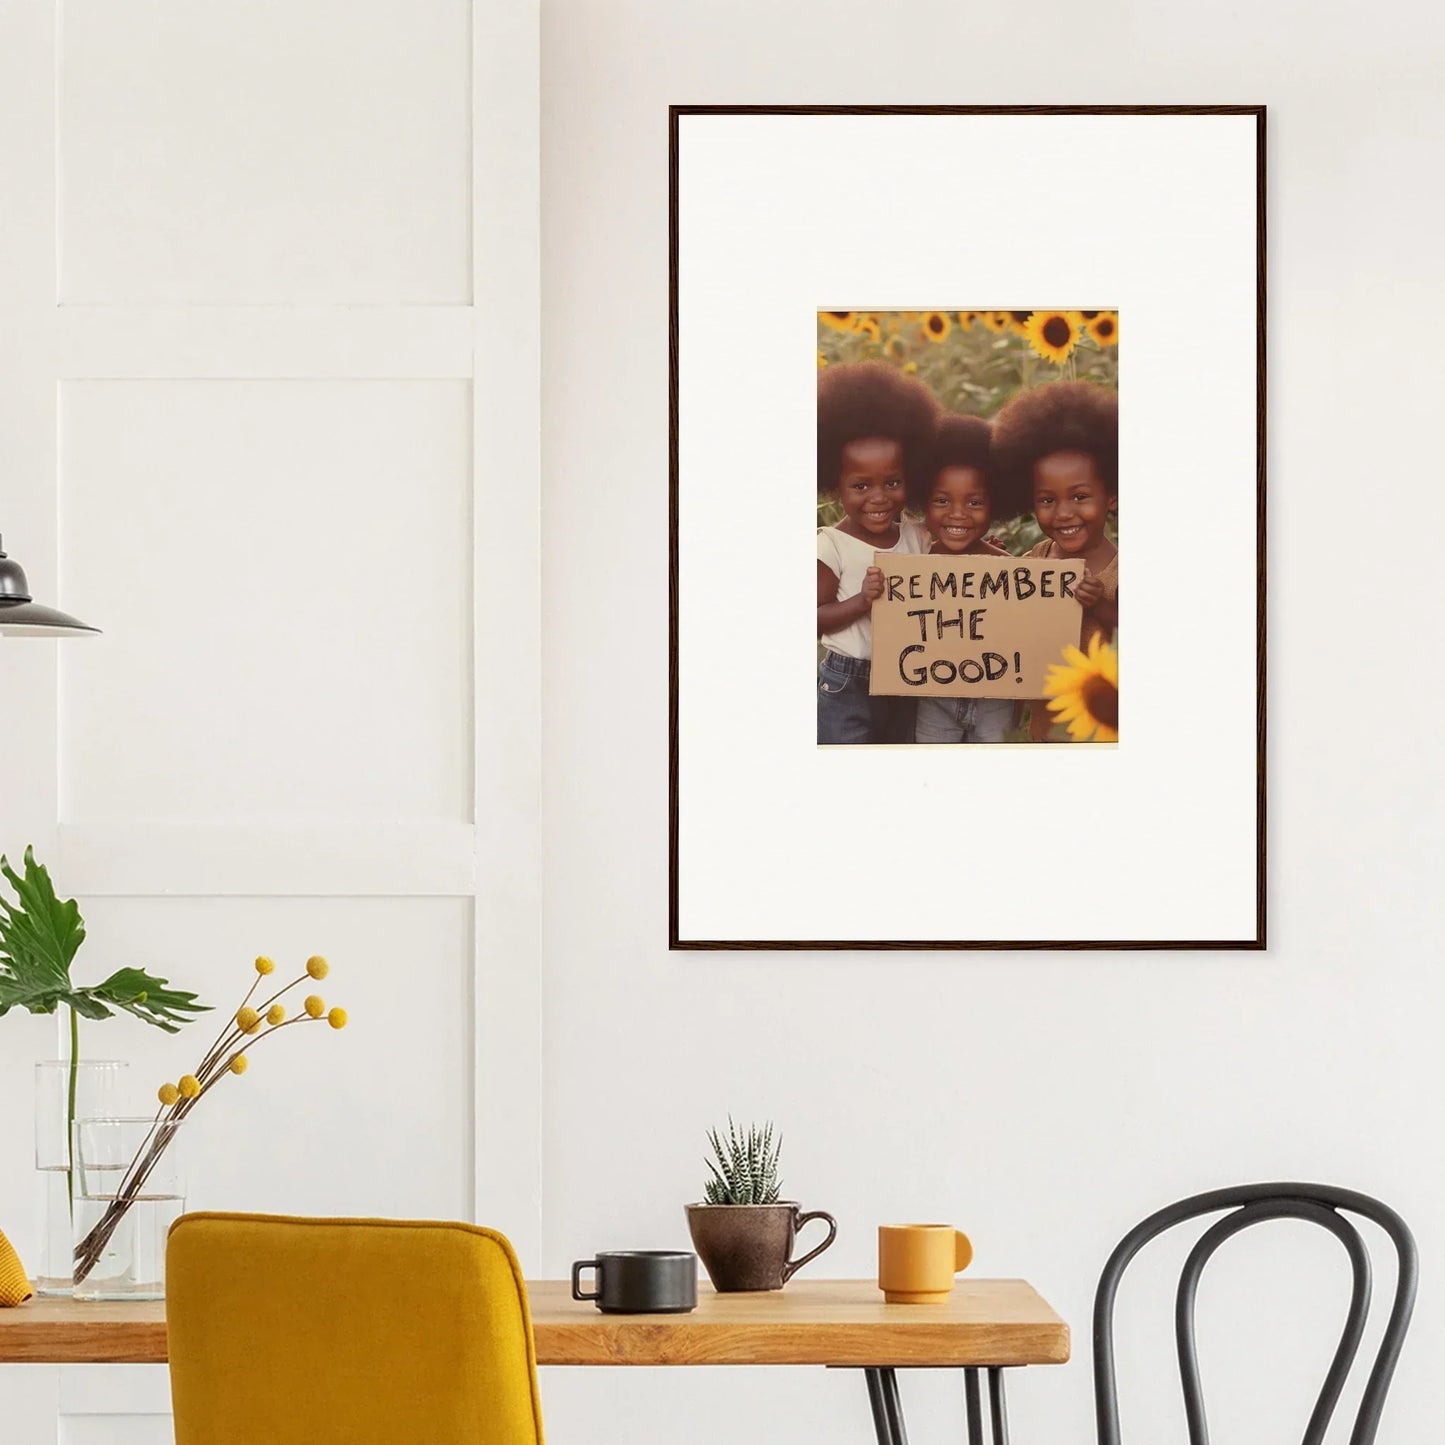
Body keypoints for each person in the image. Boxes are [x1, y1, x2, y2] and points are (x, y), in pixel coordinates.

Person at [816, 362, 937, 745]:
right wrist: (861, 600)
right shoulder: (831, 545)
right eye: (861, 486)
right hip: (846, 683)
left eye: (893, 482)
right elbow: (814, 618)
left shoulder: (916, 536)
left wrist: (987, 553)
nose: (879, 497)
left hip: (907, 676)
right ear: (836, 487)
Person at [991, 381, 1118, 741]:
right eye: (1047, 500)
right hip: (1046, 724)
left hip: (1105, 726)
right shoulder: (1038, 558)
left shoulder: (1122, 571)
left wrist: (1100, 607)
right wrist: (992, 559)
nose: (1064, 513)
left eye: (1079, 496)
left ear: (1111, 497)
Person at [908, 414, 1017, 744]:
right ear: (922, 502)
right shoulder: (913, 565)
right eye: (942, 501)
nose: (957, 513)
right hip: (933, 696)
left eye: (974, 502)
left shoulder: (1008, 568)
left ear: (996, 504)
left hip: (996, 696)